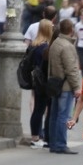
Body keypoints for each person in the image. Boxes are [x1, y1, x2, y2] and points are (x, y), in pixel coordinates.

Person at [47, 18, 83, 154]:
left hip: (55, 83)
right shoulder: (67, 46)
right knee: (63, 116)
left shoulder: (56, 42)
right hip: (65, 86)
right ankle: (61, 144)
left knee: (54, 115)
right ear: (71, 30)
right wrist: (77, 87)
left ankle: (53, 143)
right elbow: (71, 69)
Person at [27, 19, 54, 148]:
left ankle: (35, 136)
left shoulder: (34, 44)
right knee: (41, 109)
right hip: (43, 81)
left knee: (38, 108)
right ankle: (36, 137)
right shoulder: (45, 47)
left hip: (35, 80)